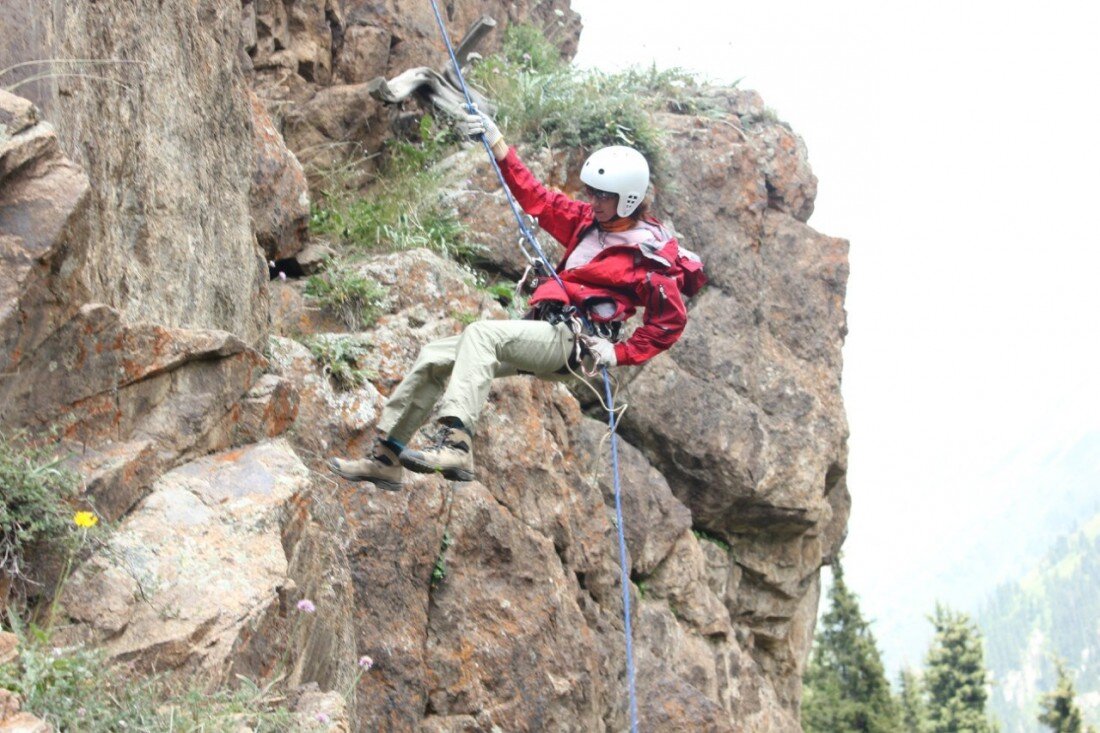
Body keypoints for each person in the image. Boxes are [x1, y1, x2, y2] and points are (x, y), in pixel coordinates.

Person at [327, 109, 704, 489]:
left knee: (481, 334)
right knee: (435, 357)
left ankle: (457, 444)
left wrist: (619, 354)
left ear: (629, 198)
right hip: (544, 328)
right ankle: (386, 458)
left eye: (603, 195)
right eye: (591, 192)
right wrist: (497, 143)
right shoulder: (588, 221)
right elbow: (536, 198)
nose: (593, 200)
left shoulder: (649, 254)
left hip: (574, 342)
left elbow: (670, 321)